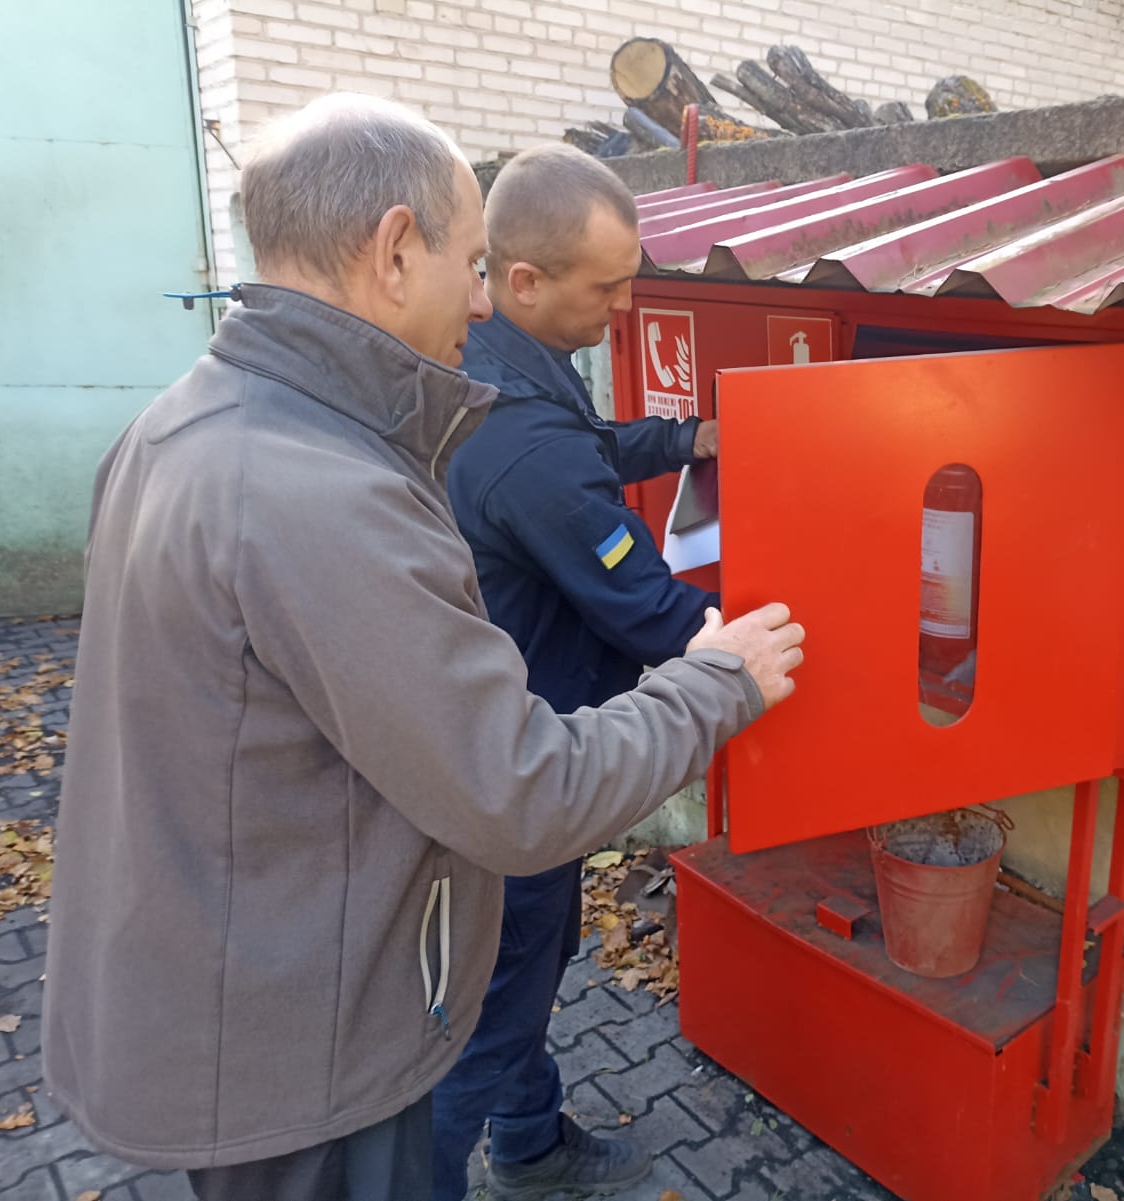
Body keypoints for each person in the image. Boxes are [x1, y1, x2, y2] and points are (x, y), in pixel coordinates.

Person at [40, 94, 804, 1201]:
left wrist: (687, 437)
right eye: (473, 264)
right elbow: (522, 790)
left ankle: (531, 1138)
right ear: (396, 251)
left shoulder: (185, 425)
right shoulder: (318, 495)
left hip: (232, 975)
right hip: (311, 1045)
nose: (483, 300)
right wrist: (718, 682)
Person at [432, 145, 715, 1201]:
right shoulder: (520, 440)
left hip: (478, 736)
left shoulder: (492, 361)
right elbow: (647, 608)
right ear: (524, 280)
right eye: (607, 288)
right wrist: (767, 644)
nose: (624, 306)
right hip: (523, 757)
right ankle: (449, 1164)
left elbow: (585, 445)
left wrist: (689, 438)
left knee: (509, 971)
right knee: (504, 991)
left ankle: (528, 1139)